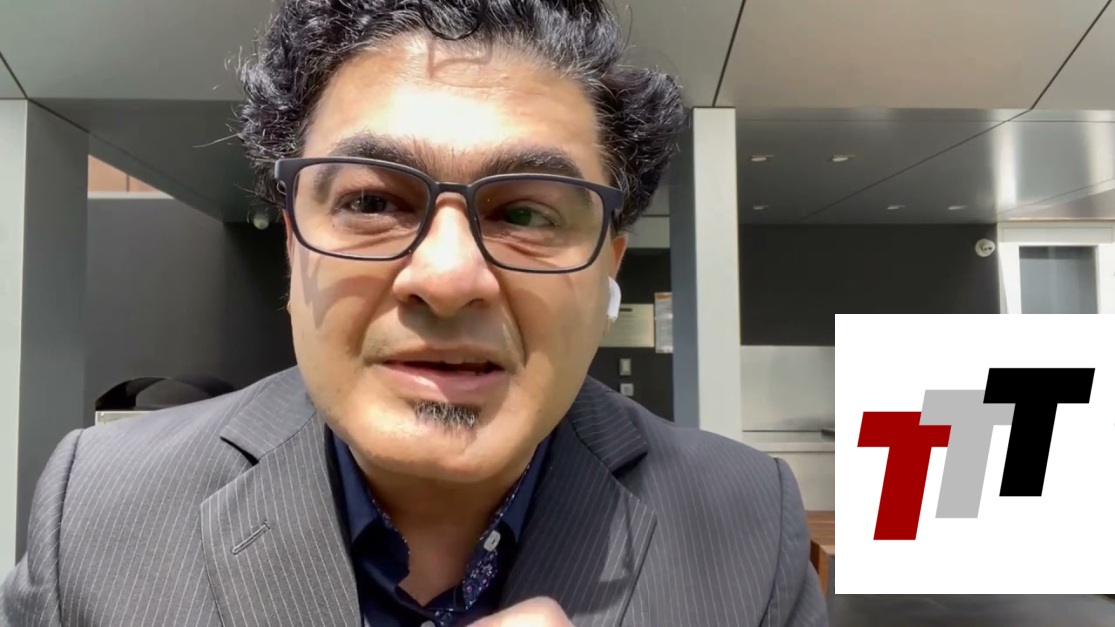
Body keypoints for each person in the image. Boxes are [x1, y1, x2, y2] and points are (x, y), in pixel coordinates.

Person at [1, 0, 828, 625]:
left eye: (526, 212)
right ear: (292, 239)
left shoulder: (745, 525)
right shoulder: (101, 510)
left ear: (608, 259)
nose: (448, 276)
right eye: (370, 201)